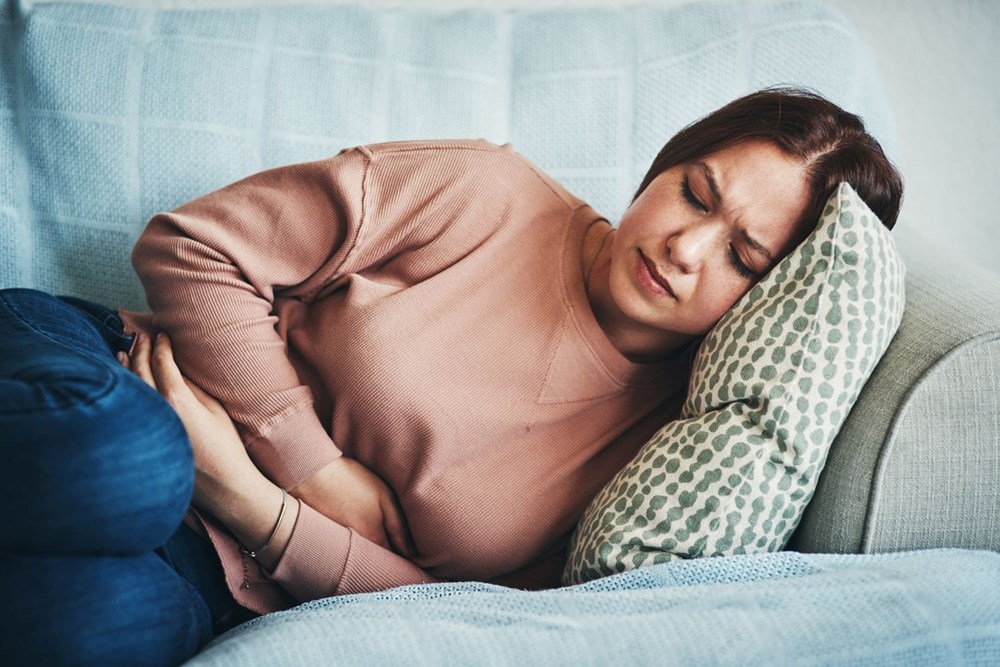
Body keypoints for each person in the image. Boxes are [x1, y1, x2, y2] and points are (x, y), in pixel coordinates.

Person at [0, 86, 902, 665]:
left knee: (89, 626)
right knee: (129, 468)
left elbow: (478, 618)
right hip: (119, 383)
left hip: (215, 576)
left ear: (771, 300)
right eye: (695, 192)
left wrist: (255, 505)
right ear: (663, 165)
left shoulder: (663, 458)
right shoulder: (487, 192)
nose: (686, 245)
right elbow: (193, 248)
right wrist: (313, 468)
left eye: (743, 256)